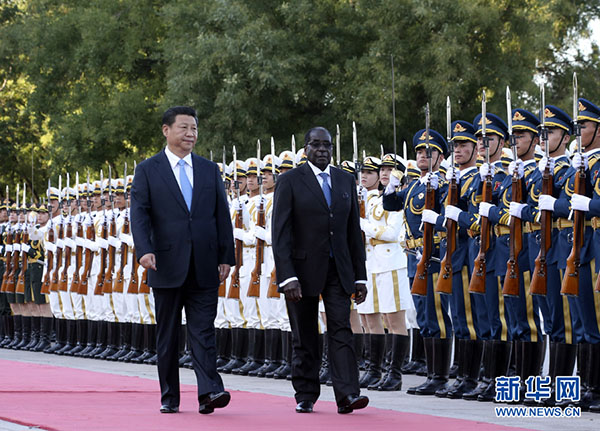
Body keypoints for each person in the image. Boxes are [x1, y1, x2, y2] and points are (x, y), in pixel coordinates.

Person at [131, 106, 235, 414]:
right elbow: (139, 214)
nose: (191, 134)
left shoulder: (209, 169)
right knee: (168, 334)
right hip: (165, 263)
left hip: (204, 263)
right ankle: (169, 396)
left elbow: (221, 215)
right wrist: (144, 250)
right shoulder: (148, 170)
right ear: (166, 130)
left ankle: (209, 392)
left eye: (194, 129)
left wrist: (226, 255)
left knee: (203, 331)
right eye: (184, 128)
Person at [271, 126, 369, 414]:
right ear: (306, 149)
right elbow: (281, 232)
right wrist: (287, 276)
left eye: (327, 145)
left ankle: (347, 394)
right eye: (316, 145)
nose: (322, 150)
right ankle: (305, 393)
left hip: (338, 269)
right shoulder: (289, 180)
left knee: (341, 329)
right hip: (301, 272)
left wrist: (360, 276)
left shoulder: (344, 179)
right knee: (305, 333)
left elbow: (353, 231)